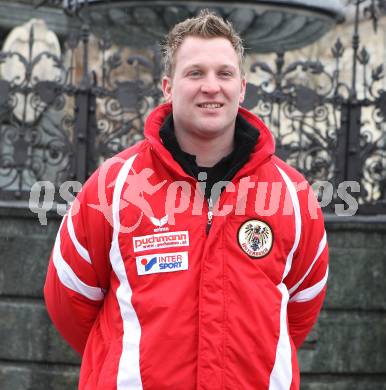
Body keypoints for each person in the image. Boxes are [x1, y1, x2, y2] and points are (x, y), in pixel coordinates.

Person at [44, 10, 328, 390]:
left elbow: (301, 308)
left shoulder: (292, 196)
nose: (211, 87)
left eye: (224, 74)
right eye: (195, 73)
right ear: (167, 85)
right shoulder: (113, 186)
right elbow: (69, 298)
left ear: (242, 88)